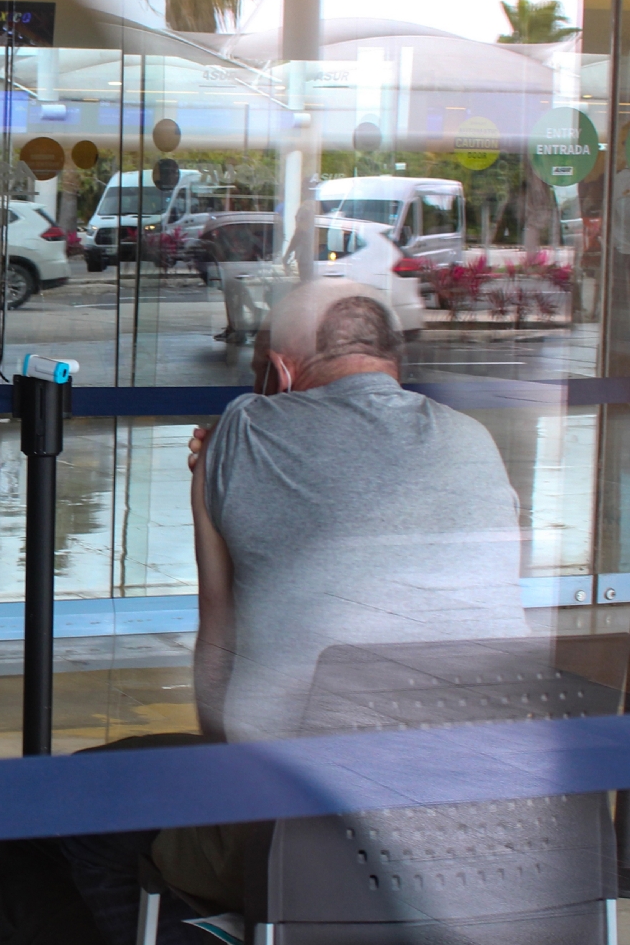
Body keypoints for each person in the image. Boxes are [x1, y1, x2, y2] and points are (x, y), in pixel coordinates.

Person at [58, 281, 529, 942]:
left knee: (86, 797)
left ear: (279, 372)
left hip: (311, 835)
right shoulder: (474, 440)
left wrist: (214, 464)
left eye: (256, 370)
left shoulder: (244, 431)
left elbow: (219, 650)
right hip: (501, 831)